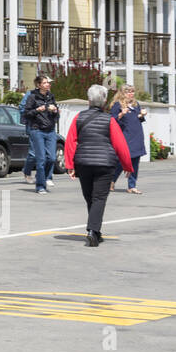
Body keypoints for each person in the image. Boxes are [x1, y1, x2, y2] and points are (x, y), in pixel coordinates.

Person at [64, 84, 133, 247]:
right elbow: (120, 145)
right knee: (99, 198)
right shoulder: (109, 120)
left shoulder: (78, 117)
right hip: (104, 164)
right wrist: (127, 166)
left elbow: (70, 141)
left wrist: (70, 165)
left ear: (88, 100)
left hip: (83, 163)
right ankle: (93, 231)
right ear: (104, 102)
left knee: (90, 197)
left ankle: (95, 231)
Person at [23, 75, 60, 194]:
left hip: (50, 130)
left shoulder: (50, 96)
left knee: (52, 158)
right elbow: (26, 114)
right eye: (45, 83)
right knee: (41, 159)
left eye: (48, 83)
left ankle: (45, 178)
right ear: (39, 85)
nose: (48, 84)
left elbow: (56, 115)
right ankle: (40, 186)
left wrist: (55, 111)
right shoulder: (32, 97)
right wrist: (38, 110)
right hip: (37, 130)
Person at [109, 84, 146, 194]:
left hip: (137, 136)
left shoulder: (135, 104)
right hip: (125, 137)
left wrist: (141, 115)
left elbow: (137, 119)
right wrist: (121, 114)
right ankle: (111, 180)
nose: (131, 94)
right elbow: (112, 120)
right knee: (122, 162)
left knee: (135, 161)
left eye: (132, 92)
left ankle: (132, 186)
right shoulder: (117, 105)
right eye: (128, 92)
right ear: (122, 93)